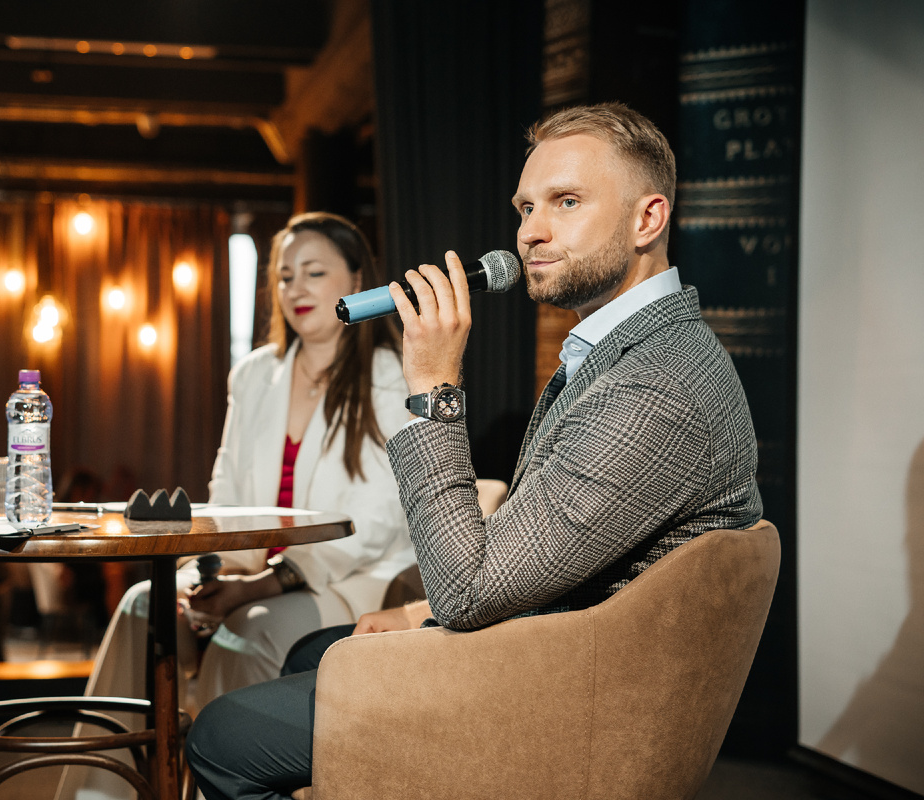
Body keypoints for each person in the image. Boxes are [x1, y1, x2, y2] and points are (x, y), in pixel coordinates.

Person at [185, 102, 764, 800]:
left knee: (223, 737)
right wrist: (411, 615)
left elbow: (467, 593)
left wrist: (433, 386)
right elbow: (535, 551)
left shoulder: (656, 387)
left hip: (567, 705)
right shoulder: (628, 352)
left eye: (566, 202)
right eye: (524, 208)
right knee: (312, 650)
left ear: (648, 219)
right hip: (552, 650)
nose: (531, 233)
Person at [56, 212, 414, 800]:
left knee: (245, 633)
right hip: (250, 571)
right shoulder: (253, 374)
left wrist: (255, 589)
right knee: (145, 605)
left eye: (314, 272)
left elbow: (373, 525)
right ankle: (97, 793)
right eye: (284, 276)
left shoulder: (389, 373)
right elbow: (227, 498)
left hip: (351, 579)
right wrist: (211, 575)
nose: (296, 288)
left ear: (356, 277)